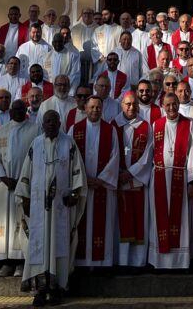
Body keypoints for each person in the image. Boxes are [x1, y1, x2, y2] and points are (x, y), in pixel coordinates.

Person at [17, 109, 87, 306]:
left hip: (61, 206)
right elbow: (26, 172)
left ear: (59, 123)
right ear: (43, 124)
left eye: (54, 121)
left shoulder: (68, 143)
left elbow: (77, 170)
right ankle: (41, 289)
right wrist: (25, 198)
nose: (51, 124)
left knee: (59, 244)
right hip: (38, 206)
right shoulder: (36, 144)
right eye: (47, 121)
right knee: (39, 245)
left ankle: (57, 288)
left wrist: (75, 193)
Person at [147, 91, 193, 270]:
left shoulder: (188, 124)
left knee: (181, 222)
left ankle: (180, 262)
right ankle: (159, 262)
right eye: (168, 105)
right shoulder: (156, 125)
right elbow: (148, 154)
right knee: (159, 220)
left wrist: (192, 182)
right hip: (160, 178)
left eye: (174, 104)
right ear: (163, 106)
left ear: (179, 105)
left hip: (181, 178)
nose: (171, 108)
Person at [0, 99, 39, 277]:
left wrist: (23, 180)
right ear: (10, 112)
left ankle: (21, 262)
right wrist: (4, 177)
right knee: (5, 223)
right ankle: (6, 262)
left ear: (26, 111)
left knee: (22, 222)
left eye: (21, 109)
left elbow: (37, 157)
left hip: (25, 184)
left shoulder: (35, 129)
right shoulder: (2, 130)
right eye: (15, 109)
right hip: (5, 185)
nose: (18, 112)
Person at [70, 93, 120, 268]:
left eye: (98, 107)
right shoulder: (74, 129)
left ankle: (102, 263)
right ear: (85, 108)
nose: (95, 110)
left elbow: (115, 156)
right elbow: (71, 158)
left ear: (102, 109)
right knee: (81, 223)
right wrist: (83, 179)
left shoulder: (110, 130)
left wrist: (101, 180)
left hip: (102, 187)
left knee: (102, 225)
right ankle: (82, 262)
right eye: (91, 107)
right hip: (82, 187)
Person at [116, 91, 153, 268]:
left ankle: (138, 263)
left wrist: (130, 173)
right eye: (128, 104)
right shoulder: (114, 125)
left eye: (134, 104)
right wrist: (118, 173)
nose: (131, 107)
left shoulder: (145, 126)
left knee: (139, 221)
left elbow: (148, 155)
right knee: (121, 222)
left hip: (137, 181)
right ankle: (122, 261)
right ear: (122, 105)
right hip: (118, 181)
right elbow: (110, 152)